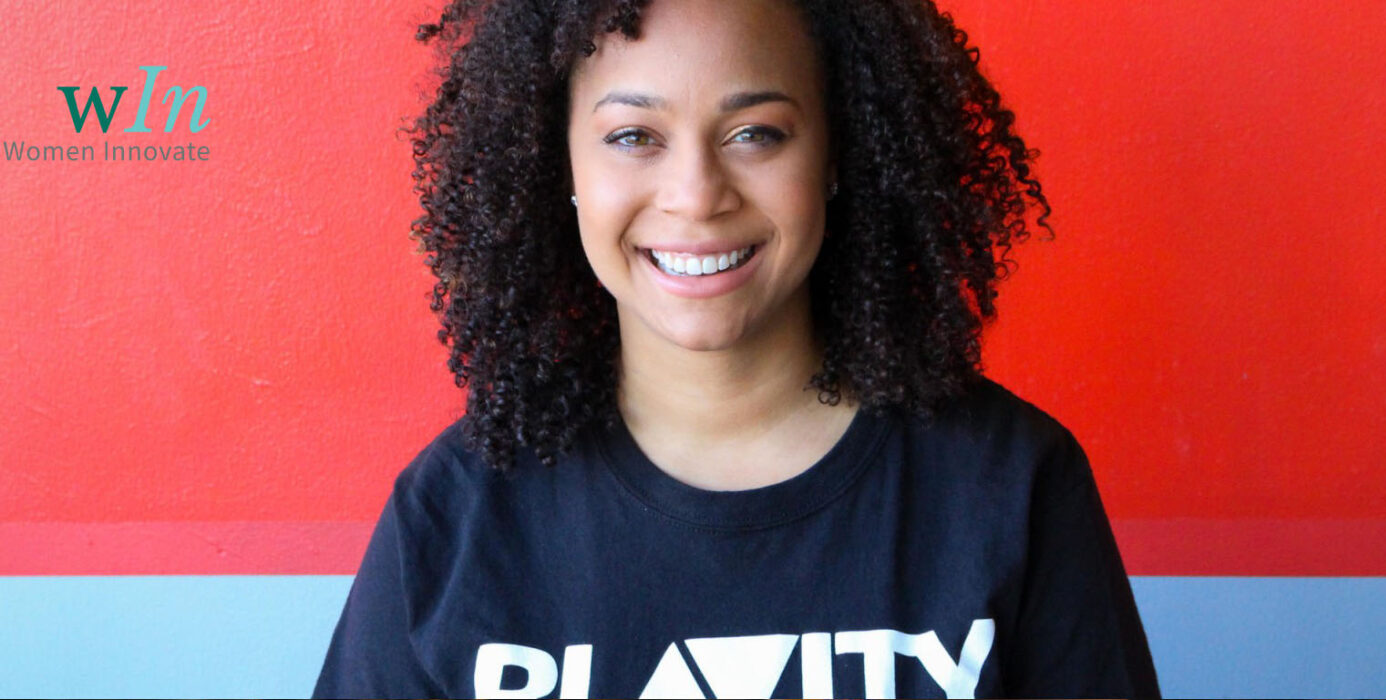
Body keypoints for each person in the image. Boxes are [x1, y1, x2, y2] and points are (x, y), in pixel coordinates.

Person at [314, 0, 1160, 697]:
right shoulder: (456, 517)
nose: (696, 196)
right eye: (633, 136)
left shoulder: (1008, 487)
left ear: (836, 153)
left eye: (755, 133)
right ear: (558, 162)